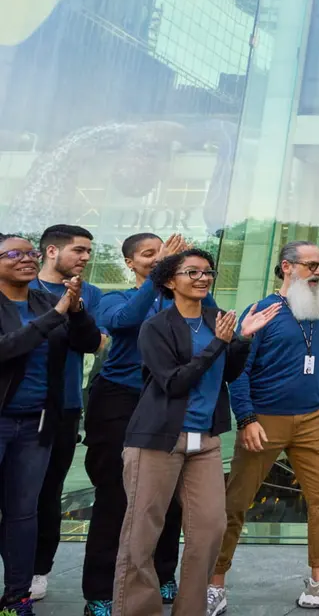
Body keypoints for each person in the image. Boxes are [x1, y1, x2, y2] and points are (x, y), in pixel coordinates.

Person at [209, 241, 319, 614]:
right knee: (235, 504)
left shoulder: (314, 313)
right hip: (265, 420)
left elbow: (315, 359)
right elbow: (238, 371)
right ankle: (213, 584)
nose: (317, 272)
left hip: (312, 419)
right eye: (310, 265)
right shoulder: (262, 311)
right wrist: (246, 418)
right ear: (287, 266)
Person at [112, 249, 279, 616]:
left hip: (205, 440)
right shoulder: (156, 327)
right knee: (142, 535)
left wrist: (241, 340)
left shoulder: (216, 319)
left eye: (208, 272)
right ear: (171, 281)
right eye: (193, 272)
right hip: (157, 440)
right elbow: (174, 382)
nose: (204, 278)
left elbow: (229, 373)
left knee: (210, 529)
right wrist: (220, 343)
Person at [81, 233, 191, 616]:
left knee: (168, 494)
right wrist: (160, 272)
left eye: (164, 253)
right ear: (130, 263)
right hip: (119, 400)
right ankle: (100, 591)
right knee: (115, 496)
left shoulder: (180, 298)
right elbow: (123, 322)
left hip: (167, 400)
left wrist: (187, 275)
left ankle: (163, 573)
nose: (158, 258)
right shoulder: (117, 298)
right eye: (149, 254)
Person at [0, 233, 100, 616]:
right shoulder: (48, 310)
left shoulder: (47, 302)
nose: (27, 258)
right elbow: (7, 347)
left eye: (30, 253)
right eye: (14, 253)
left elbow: (89, 343)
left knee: (23, 512)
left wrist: (76, 310)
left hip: (38, 424)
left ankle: (17, 598)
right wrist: (56, 315)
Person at [29, 226, 105, 602]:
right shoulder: (22, 287)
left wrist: (76, 309)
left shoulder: (91, 294)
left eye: (89, 251)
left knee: (48, 491)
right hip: (16, 404)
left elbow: (97, 343)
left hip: (64, 406)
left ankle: (38, 569)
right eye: (79, 250)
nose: (86, 257)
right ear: (51, 251)